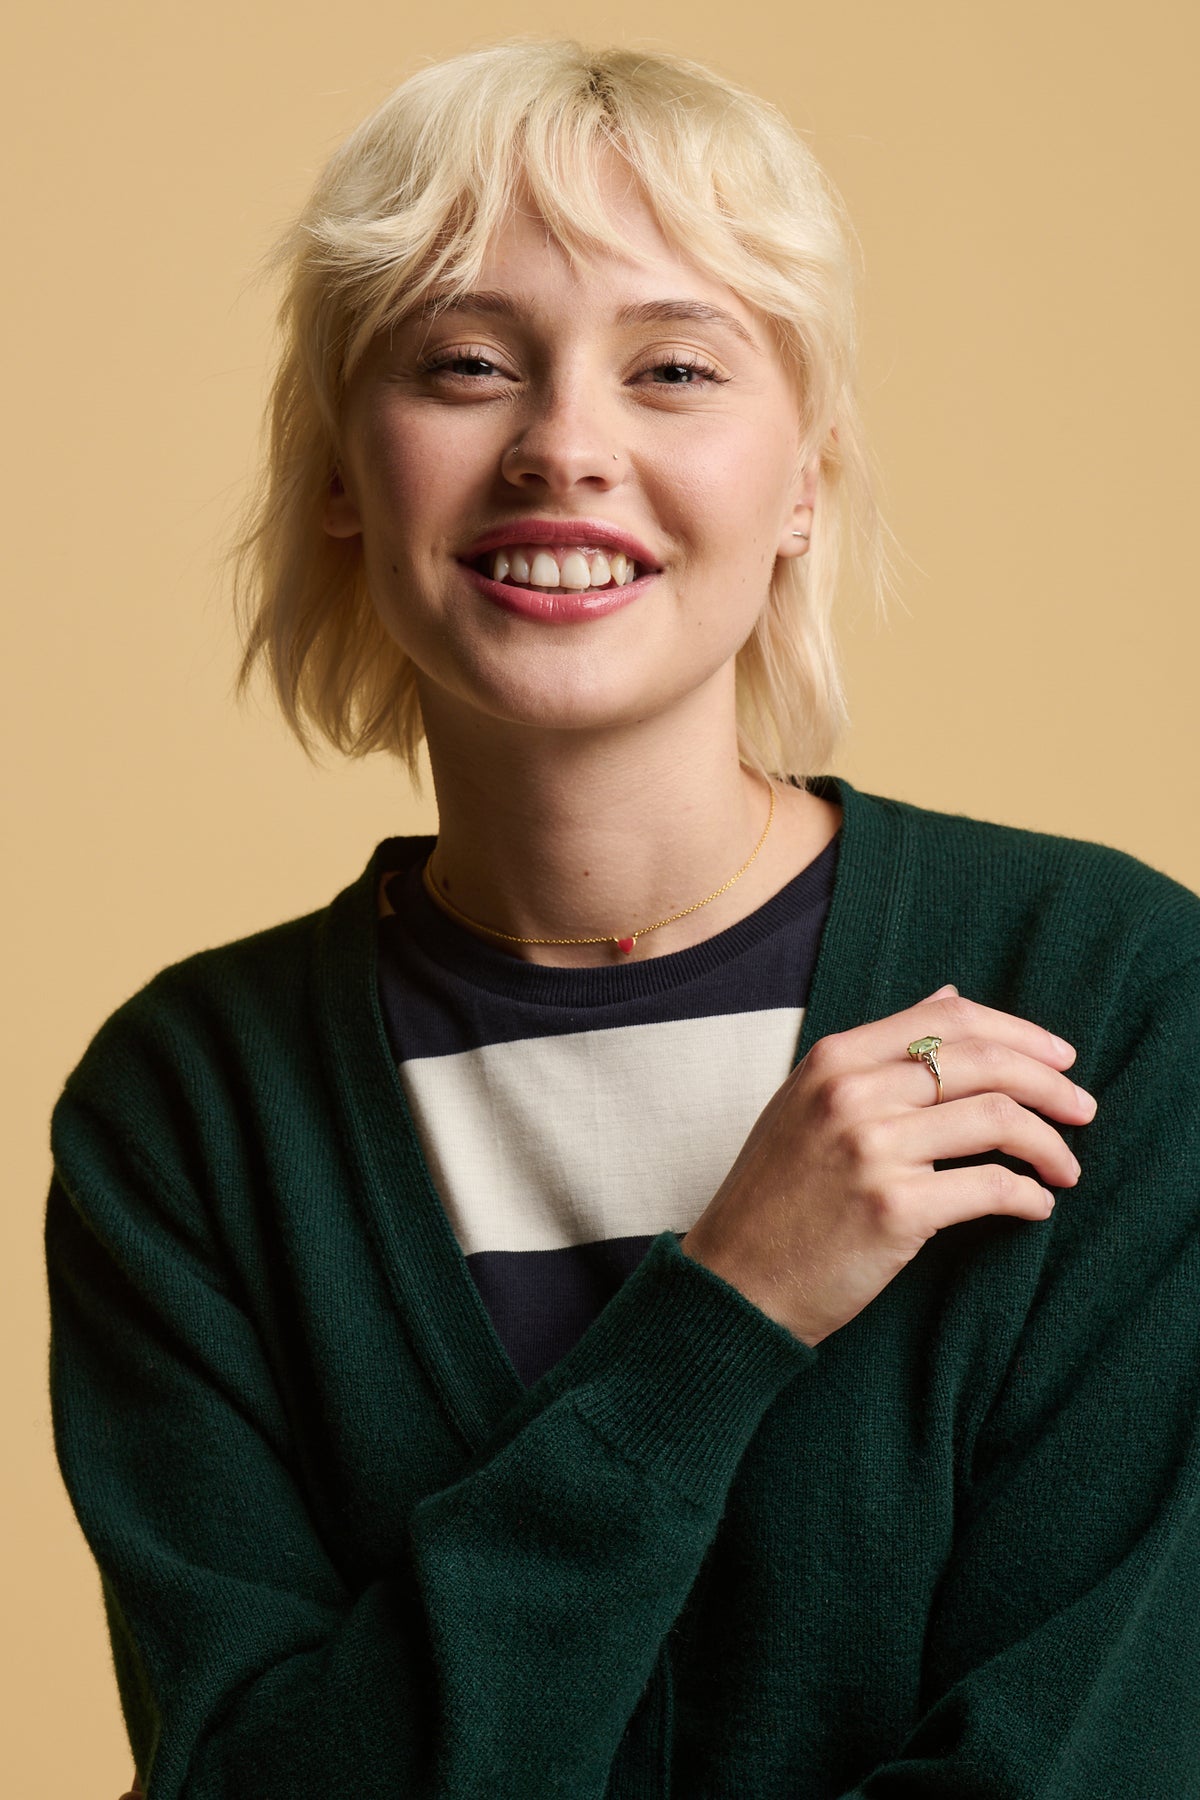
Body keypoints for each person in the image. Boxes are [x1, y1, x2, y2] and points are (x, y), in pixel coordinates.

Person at [45, 39, 1200, 1800]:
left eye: (674, 366)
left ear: (801, 481)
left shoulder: (1111, 996)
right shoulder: (191, 1112)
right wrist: (722, 1316)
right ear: (346, 475)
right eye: (467, 365)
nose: (565, 447)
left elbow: (1098, 1754)